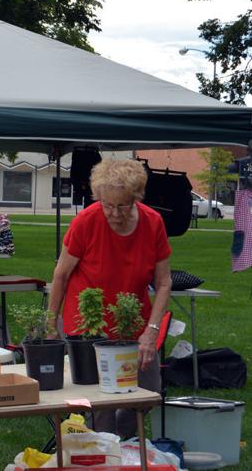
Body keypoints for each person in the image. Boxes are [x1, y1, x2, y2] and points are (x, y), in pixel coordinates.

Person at [47, 158, 171, 437]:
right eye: (107, 205)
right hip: (89, 324)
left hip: (132, 323)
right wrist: (50, 323)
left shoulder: (153, 223)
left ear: (136, 198)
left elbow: (163, 283)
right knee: (100, 403)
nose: (114, 213)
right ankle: (102, 449)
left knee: (147, 392)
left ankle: (121, 439)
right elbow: (61, 275)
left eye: (122, 206)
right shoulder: (87, 221)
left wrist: (151, 332)